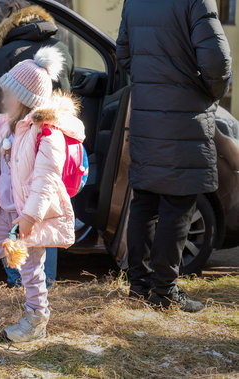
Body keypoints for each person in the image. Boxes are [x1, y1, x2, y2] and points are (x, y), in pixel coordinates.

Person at [0, 46, 85, 342]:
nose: (3, 98)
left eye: (9, 93)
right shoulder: (4, 125)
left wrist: (30, 216)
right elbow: (0, 167)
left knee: (31, 269)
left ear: (25, 99)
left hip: (27, 214)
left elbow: (45, 180)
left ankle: (36, 318)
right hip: (2, 210)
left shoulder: (46, 133)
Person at [116, 0, 232, 312]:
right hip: (185, 118)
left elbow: (124, 54)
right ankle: (164, 291)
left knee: (145, 201)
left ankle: (139, 286)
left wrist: (152, 82)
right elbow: (218, 64)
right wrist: (206, 90)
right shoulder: (196, 1)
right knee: (178, 204)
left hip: (145, 117)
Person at [0, 0, 74, 125]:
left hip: (15, 138)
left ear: (0, 24)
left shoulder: (4, 54)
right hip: (57, 129)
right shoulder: (61, 49)